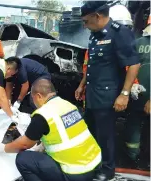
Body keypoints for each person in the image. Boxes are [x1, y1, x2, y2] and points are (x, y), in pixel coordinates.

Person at [75, 1, 140, 180]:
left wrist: (124, 94)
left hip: (107, 96)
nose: (84, 25)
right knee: (90, 132)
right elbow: (93, 64)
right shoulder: (95, 35)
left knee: (106, 134)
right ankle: (94, 164)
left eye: (86, 21)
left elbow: (134, 64)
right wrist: (82, 85)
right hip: (92, 94)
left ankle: (107, 170)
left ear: (97, 16)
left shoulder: (120, 33)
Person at [0, 79, 101, 181]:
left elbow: (24, 145)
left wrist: (3, 148)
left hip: (74, 173)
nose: (34, 103)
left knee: (23, 159)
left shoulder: (43, 114)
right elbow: (64, 132)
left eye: (33, 99)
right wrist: (43, 146)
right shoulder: (68, 105)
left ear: (39, 96)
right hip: (94, 164)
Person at [125, 14, 150, 164]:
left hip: (137, 95)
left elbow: (128, 67)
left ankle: (133, 158)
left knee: (133, 125)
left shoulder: (136, 43)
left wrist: (128, 89)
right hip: (139, 96)